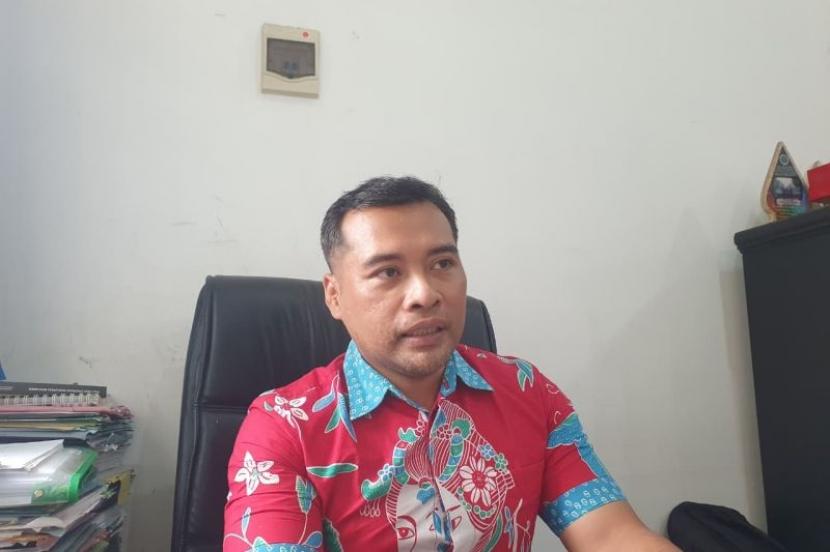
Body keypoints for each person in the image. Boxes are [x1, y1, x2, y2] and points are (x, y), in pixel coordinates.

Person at [224, 176, 679, 551]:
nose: (425, 294)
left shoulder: (527, 390)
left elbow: (610, 535)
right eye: (388, 272)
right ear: (335, 295)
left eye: (442, 263)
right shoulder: (283, 427)